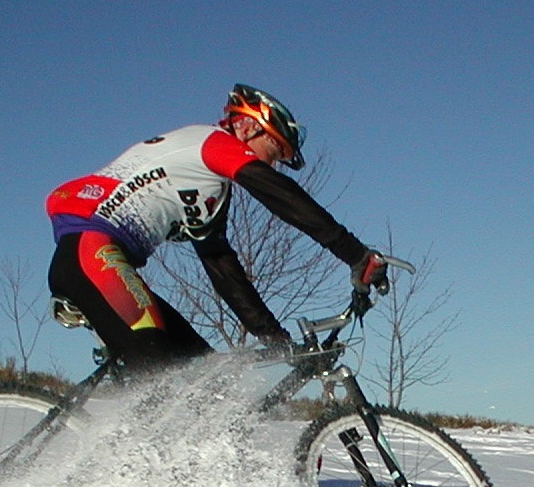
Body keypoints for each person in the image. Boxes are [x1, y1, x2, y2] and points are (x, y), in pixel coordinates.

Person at [46, 83, 389, 371]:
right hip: (89, 247)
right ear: (247, 126)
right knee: (155, 371)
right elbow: (281, 195)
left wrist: (274, 338)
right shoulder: (212, 142)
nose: (273, 163)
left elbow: (222, 266)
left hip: (102, 259)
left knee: (203, 373)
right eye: (274, 148)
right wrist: (355, 254)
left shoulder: (208, 190)